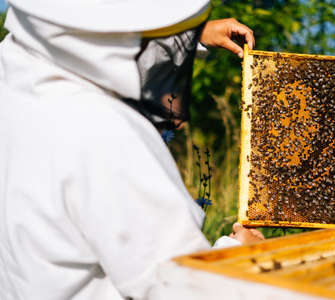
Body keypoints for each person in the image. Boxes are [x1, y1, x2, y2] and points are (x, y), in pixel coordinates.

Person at [0, 0, 264, 299]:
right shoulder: (106, 135)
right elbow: (182, 287)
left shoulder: (13, 69)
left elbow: (96, 42)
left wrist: (190, 35)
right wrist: (239, 254)